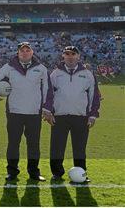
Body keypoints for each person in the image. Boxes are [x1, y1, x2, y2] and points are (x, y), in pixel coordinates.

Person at [0, 42, 53, 182]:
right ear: (18, 53)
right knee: (13, 143)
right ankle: (12, 172)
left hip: (34, 113)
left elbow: (48, 89)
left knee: (34, 144)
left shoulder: (41, 68)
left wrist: (47, 108)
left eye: (27, 50)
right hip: (14, 112)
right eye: (22, 50)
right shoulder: (9, 66)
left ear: (32, 52)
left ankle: (34, 172)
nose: (25, 53)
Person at [42, 45, 101, 183]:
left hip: (81, 117)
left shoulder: (87, 74)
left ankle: (81, 173)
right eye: (67, 54)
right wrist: (47, 111)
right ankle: (57, 173)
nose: (70, 56)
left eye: (73, 54)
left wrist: (92, 115)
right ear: (63, 56)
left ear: (78, 56)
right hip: (59, 117)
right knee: (57, 147)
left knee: (80, 148)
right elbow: (48, 94)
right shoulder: (55, 74)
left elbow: (94, 96)